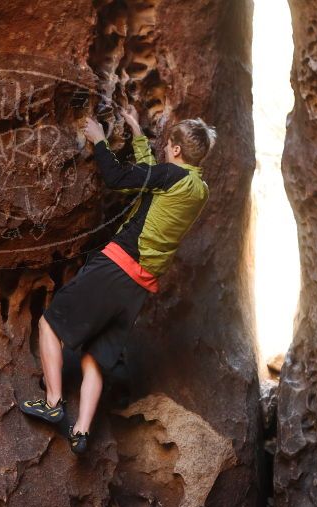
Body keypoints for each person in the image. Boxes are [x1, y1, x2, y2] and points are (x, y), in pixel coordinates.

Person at [20, 104, 216, 454]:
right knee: (97, 355)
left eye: (167, 145)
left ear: (174, 149)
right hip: (139, 287)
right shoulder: (198, 189)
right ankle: (80, 432)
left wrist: (98, 141)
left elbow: (120, 179)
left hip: (117, 266)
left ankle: (52, 403)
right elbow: (152, 178)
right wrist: (138, 134)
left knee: (50, 324)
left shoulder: (172, 177)